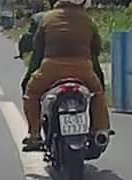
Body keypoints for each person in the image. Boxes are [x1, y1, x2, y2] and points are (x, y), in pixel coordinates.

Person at [19, 0, 109, 152]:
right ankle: (100, 130)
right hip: (83, 68)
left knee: (32, 94)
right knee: (97, 94)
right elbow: (97, 47)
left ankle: (34, 134)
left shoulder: (47, 18)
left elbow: (38, 45)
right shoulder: (87, 20)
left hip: (51, 68)